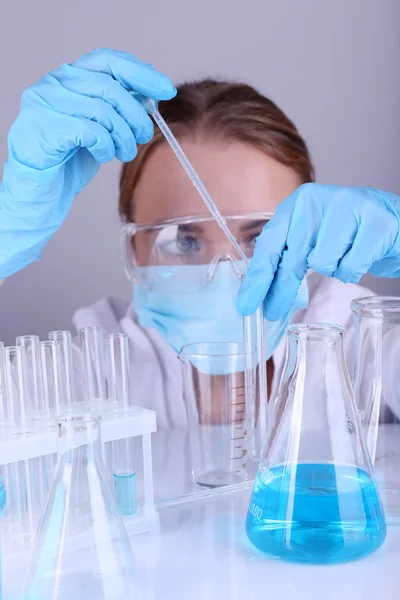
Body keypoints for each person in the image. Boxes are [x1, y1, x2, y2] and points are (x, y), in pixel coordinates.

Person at [1, 48, 399, 428]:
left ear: (314, 233)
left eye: (260, 237)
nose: (226, 274)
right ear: (132, 249)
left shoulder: (356, 337)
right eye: (184, 241)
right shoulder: (96, 369)